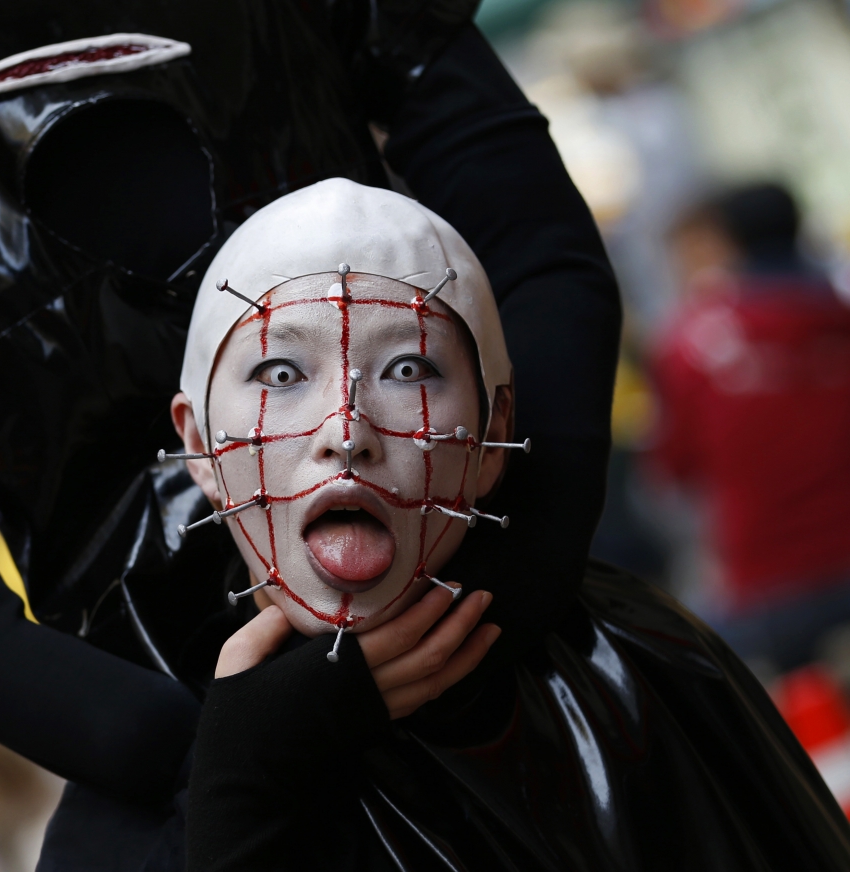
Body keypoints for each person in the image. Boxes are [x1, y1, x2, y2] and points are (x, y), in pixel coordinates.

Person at [0, 4, 624, 866]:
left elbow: (540, 251)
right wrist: (205, 742)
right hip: (205, 750)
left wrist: (507, 586)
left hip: (469, 657)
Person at [175, 179, 850, 869]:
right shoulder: (139, 783)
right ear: (196, 442)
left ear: (495, 430)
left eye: (408, 368)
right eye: (281, 373)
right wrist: (241, 782)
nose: (347, 433)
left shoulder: (645, 681)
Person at [649, 183, 850, 671]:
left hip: (767, 593)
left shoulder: (692, 343)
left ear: (728, 243)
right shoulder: (838, 317)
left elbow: (672, 473)